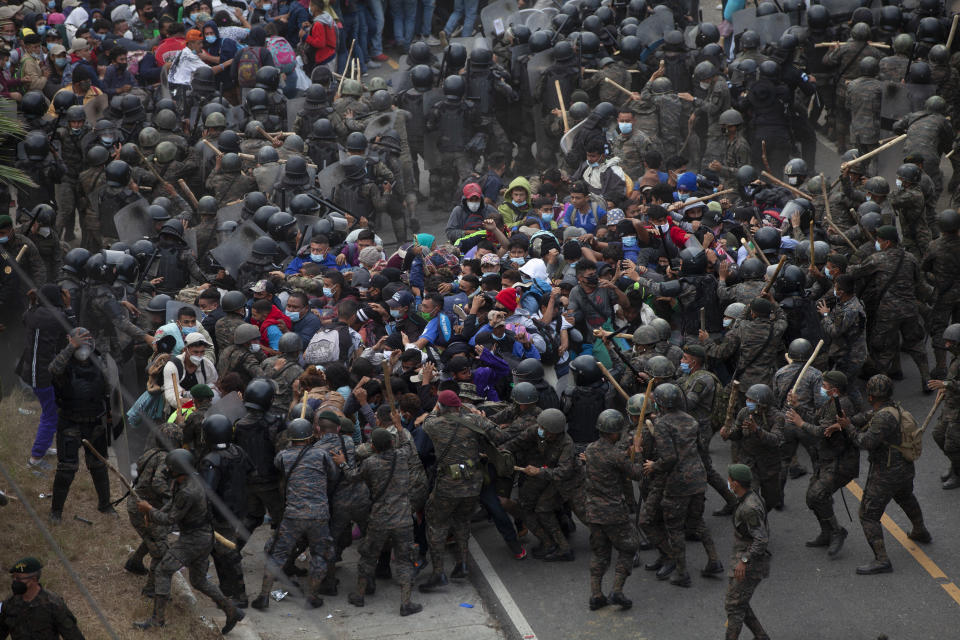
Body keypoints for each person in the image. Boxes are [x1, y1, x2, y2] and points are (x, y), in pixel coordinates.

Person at [135, 449, 244, 633]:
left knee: (163, 569)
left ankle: (157, 619)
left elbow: (170, 519)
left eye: (170, 467)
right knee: (199, 581)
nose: (167, 470)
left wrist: (150, 511)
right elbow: (172, 506)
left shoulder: (188, 491)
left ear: (178, 470)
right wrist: (153, 511)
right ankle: (231, 610)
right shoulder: (185, 481)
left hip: (194, 540)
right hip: (202, 537)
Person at [839, 374, 931, 574]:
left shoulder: (882, 417)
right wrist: (848, 420)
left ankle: (881, 560)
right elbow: (867, 416)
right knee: (906, 497)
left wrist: (848, 428)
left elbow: (866, 442)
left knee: (868, 514)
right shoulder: (892, 408)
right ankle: (920, 530)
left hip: (886, 473)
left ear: (870, 396)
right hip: (904, 469)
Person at [337, 427, 423, 616]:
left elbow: (352, 477)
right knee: (405, 560)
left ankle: (359, 595)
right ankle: (406, 602)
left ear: (374, 447)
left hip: (379, 519)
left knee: (368, 556)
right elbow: (409, 445)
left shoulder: (370, 463)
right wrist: (399, 427)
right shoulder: (402, 456)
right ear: (392, 443)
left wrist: (343, 463)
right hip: (403, 519)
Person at [48, 327, 116, 522]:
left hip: (95, 421)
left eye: (86, 341)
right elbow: (53, 370)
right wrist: (71, 347)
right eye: (79, 341)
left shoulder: (98, 360)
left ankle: (105, 505)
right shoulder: (63, 361)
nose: (83, 347)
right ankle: (56, 512)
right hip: (70, 421)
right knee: (67, 468)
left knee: (98, 465)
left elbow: (109, 385)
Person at [583, 409, 642, 611]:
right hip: (614, 513)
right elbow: (636, 473)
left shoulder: (590, 449)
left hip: (593, 511)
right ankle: (617, 590)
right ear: (614, 433)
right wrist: (638, 451)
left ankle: (596, 595)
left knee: (600, 553)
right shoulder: (616, 455)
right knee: (629, 547)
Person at [724, 464, 771, 640]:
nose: (727, 482)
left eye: (729, 480)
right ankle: (761, 636)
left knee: (734, 606)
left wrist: (744, 561)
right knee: (738, 602)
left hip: (750, 562)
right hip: (744, 555)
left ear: (735, 483)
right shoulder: (747, 497)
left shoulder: (749, 507)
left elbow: (761, 540)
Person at [0, 557, 85, 639]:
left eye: (18, 578)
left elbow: (73, 636)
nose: (15, 581)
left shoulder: (53, 605)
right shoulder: (9, 604)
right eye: (13, 577)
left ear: (33, 579)